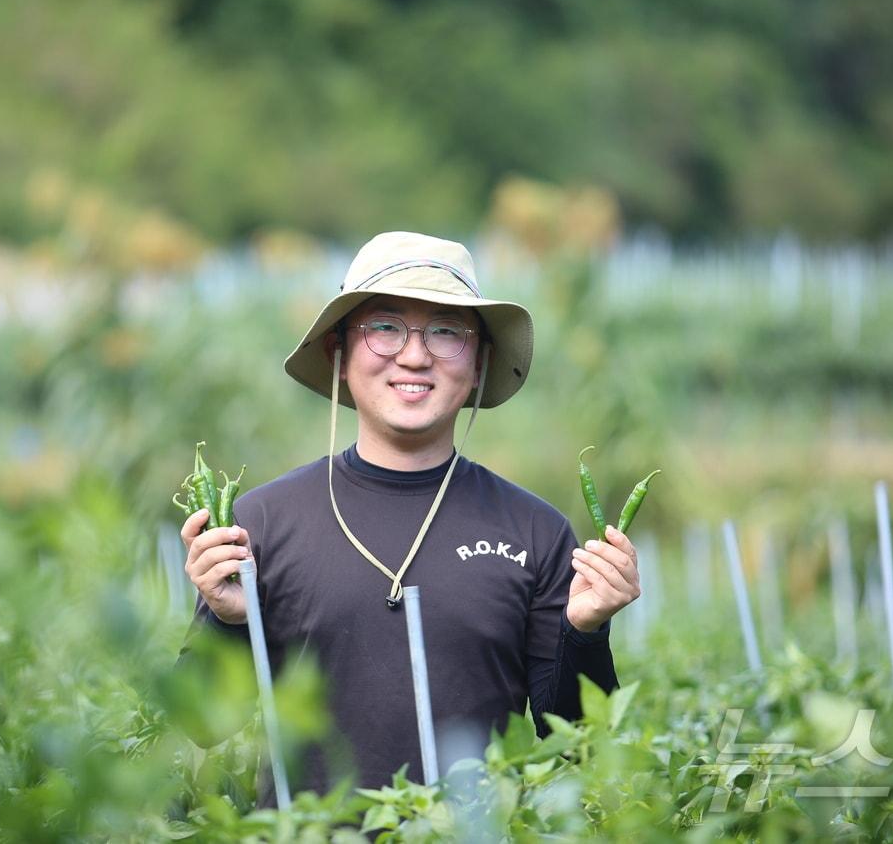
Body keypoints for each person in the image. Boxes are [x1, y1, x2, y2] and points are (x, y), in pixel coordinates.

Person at [177, 231, 641, 797]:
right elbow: (202, 724)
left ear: (479, 364)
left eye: (448, 331)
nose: (415, 355)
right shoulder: (260, 525)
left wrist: (585, 633)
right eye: (385, 327)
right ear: (339, 354)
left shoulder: (535, 533)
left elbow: (574, 746)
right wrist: (227, 623)